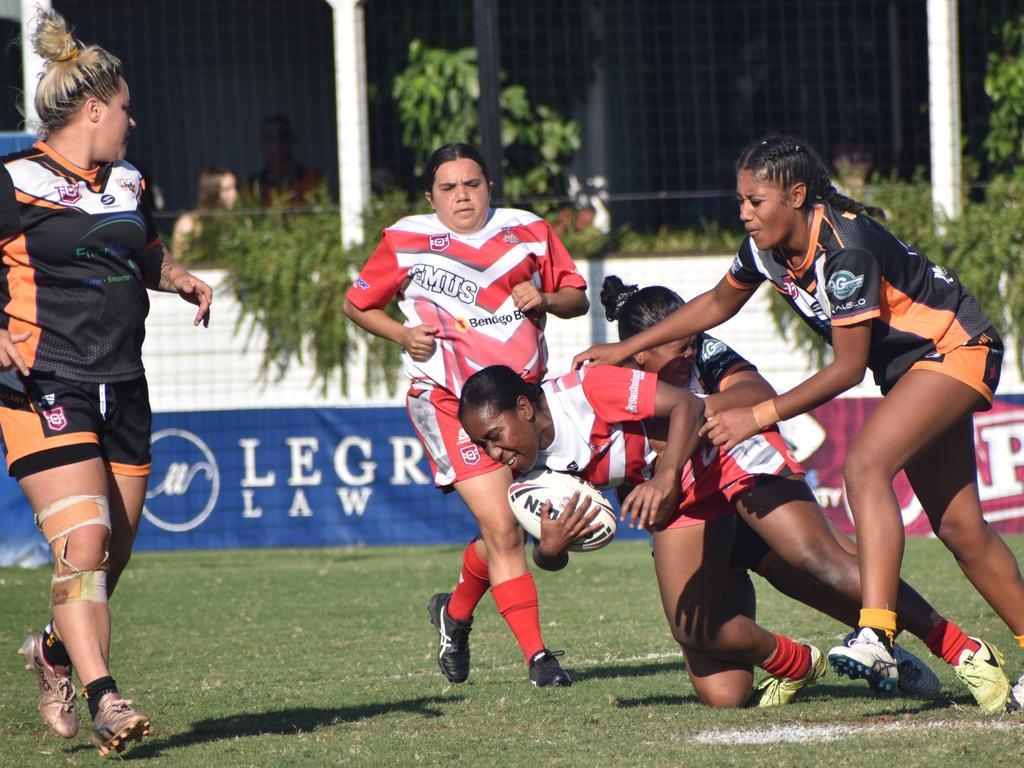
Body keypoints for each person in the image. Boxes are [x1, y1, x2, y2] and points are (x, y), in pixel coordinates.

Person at [572, 135, 1024, 713]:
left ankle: (876, 634)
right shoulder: (764, 249)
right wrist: (625, 348)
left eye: (755, 201)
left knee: (864, 466)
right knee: (962, 531)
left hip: (955, 349)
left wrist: (755, 415)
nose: (744, 212)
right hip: (915, 369)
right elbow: (714, 304)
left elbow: (847, 368)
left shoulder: (845, 252)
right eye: (740, 200)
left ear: (797, 194)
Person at [528, 276, 1000, 707]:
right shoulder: (598, 392)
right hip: (690, 511)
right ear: (638, 353)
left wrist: (685, 413)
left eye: (692, 343)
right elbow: (555, 521)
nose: (691, 355)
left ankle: (955, 647)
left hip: (734, 458)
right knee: (721, 687)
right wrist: (550, 549)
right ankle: (797, 662)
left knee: (819, 563)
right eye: (678, 350)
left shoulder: (701, 351)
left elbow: (755, 391)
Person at [1, 9, 213, 756]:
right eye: (125, 105)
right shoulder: (14, 180)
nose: (133, 116)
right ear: (94, 109)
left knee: (111, 552)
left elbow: (141, 252)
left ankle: (54, 651)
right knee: (84, 541)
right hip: (41, 382)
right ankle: (103, 697)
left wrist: (177, 277)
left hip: (123, 385)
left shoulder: (128, 178)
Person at [342, 142, 589, 687]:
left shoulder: (528, 230)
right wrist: (404, 335)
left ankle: (453, 615)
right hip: (448, 400)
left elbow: (577, 298)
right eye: (448, 188)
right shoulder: (406, 239)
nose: (462, 196)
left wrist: (545, 299)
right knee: (504, 527)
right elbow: (356, 304)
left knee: (509, 528)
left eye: (472, 184)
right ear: (431, 196)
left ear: (489, 186)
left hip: (520, 402)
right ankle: (538, 659)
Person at [248, 114, 324, 208]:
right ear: (263, 144)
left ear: (292, 140)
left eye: (283, 136)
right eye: (270, 138)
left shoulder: (312, 178)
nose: (277, 143)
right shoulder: (252, 186)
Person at [171, 164, 239, 257]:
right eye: (226, 189)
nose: (234, 194)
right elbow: (179, 261)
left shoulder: (239, 222)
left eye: (235, 187)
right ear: (211, 191)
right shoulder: (189, 224)